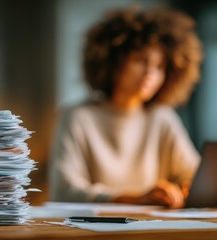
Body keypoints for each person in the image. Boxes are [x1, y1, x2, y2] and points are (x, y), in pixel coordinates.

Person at [48, 7, 203, 208]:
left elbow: (196, 176)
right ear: (114, 61)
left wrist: (185, 189)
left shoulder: (162, 117)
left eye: (159, 67)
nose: (150, 73)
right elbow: (63, 190)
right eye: (140, 61)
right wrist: (136, 199)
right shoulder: (78, 117)